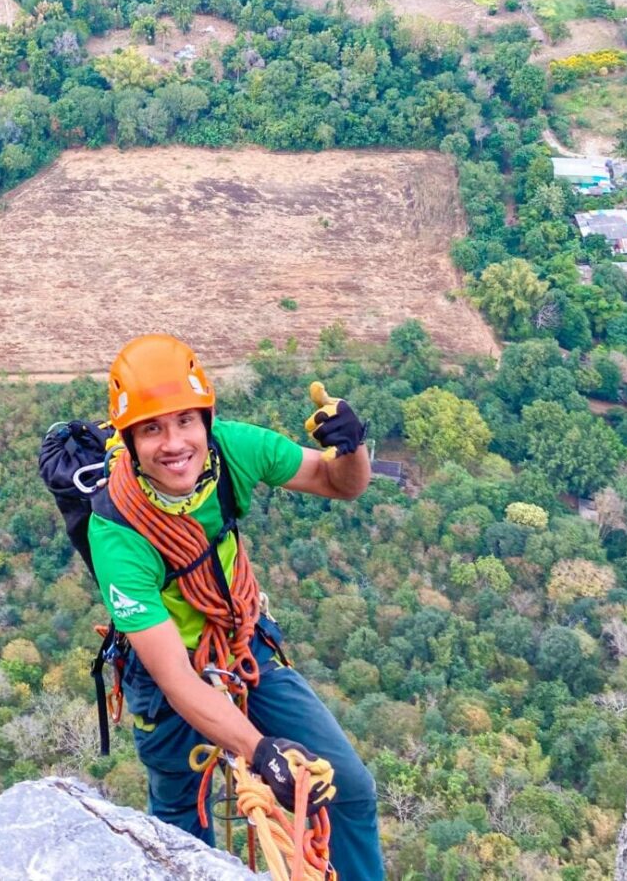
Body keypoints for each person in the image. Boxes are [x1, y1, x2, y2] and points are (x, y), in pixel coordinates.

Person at [88, 333, 383, 881]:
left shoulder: (233, 452)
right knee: (179, 822)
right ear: (128, 440)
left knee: (347, 789)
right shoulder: (116, 533)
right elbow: (178, 681)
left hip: (243, 640)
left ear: (206, 421)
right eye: (152, 428)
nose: (173, 443)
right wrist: (260, 750)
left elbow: (339, 484)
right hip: (165, 673)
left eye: (184, 422)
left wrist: (352, 447)